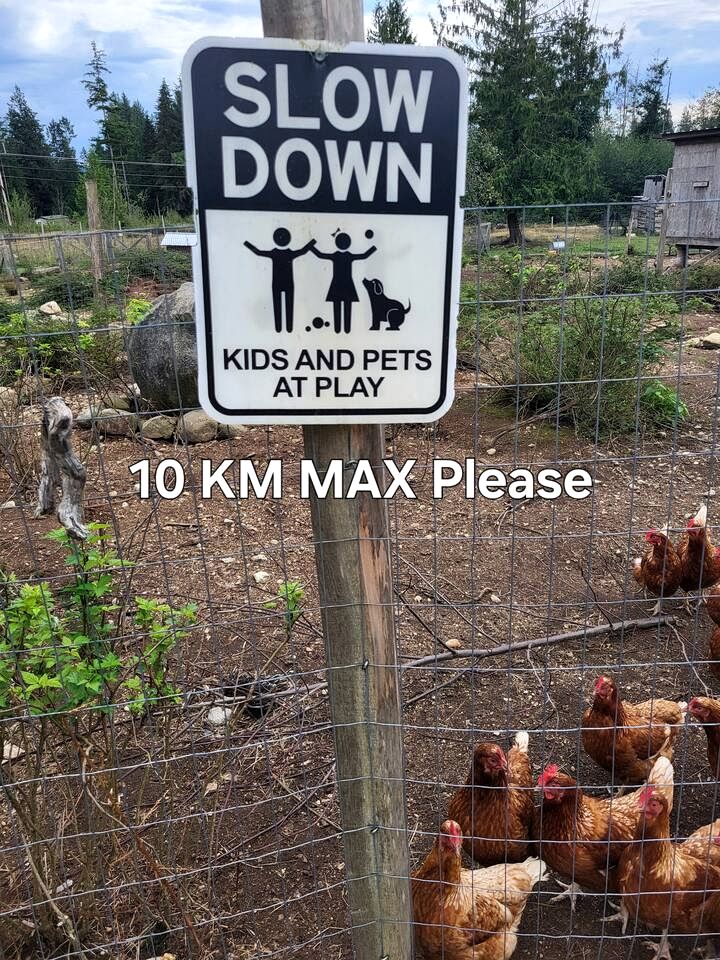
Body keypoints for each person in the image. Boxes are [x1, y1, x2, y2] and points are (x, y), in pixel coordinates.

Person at [244, 228, 315, 333]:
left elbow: (258, 252)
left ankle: (279, 328)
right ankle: (288, 328)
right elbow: (303, 251)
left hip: (277, 283)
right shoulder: (289, 253)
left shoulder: (274, 253)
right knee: (288, 305)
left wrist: (246, 244)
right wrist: (313, 242)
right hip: (288, 283)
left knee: (278, 305)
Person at [311, 232, 376, 334]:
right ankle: (345, 329)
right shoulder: (348, 256)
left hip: (337, 284)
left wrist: (311, 247)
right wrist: (374, 247)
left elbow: (320, 255)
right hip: (346, 284)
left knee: (338, 306)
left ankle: (340, 329)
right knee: (346, 306)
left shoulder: (336, 255)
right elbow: (364, 255)